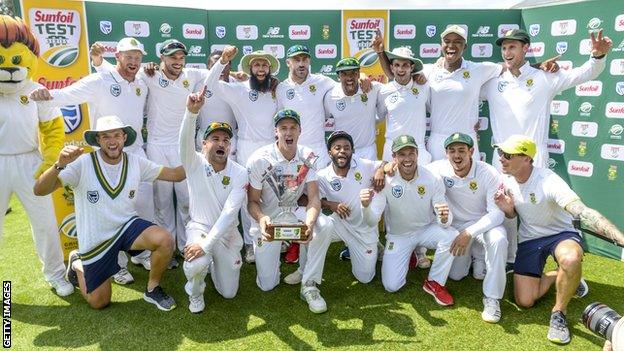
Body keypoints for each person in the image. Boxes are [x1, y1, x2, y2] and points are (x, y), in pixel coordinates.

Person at [481, 28, 611, 272]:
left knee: (541, 213)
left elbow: (584, 74)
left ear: (525, 48)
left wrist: (597, 57)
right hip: (502, 158)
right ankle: (510, 259)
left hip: (534, 159)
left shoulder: (544, 77)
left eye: (513, 47)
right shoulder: (492, 82)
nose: (507, 52)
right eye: (504, 47)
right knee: (504, 205)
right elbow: (461, 89)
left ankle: (565, 262)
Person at [30, 37, 152, 284]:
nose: (134, 61)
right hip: (108, 155)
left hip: (137, 151)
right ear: (117, 57)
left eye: (138, 57)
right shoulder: (101, 80)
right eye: (128, 56)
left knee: (144, 203)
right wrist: (47, 94)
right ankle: (117, 265)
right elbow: (69, 94)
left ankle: (141, 252)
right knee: (111, 210)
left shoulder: (141, 82)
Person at [33, 115, 186, 310]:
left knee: (164, 239)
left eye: (116, 135)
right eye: (105, 136)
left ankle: (152, 288)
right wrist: (59, 165)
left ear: (124, 137)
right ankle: (77, 262)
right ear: (98, 140)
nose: (112, 141)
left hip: (127, 227)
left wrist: (202, 156)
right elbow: (40, 190)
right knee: (99, 302)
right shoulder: (82, 164)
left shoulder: (136, 162)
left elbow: (175, 175)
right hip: (96, 239)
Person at [493, 135, 624, 344]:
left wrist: (621, 239)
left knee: (570, 258)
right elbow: (514, 215)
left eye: (508, 155)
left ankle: (559, 313)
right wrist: (508, 209)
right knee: (525, 301)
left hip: (561, 235)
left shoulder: (548, 180)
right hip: (530, 239)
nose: (501, 158)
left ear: (527, 159)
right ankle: (563, 276)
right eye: (500, 153)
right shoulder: (506, 180)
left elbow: (582, 211)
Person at [0, 14, 72, 296]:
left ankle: (55, 273)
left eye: (15, 60)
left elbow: (53, 127)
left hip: (30, 160)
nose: (8, 68)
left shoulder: (36, 90)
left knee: (44, 220)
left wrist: (50, 158)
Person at [361, 135, 459, 306]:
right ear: (394, 157)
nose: (407, 159)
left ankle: (434, 282)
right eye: (402, 154)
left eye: (411, 153)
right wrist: (365, 207)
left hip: (425, 230)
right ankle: (410, 252)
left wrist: (444, 218)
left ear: (417, 154)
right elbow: (371, 221)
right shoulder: (385, 180)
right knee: (391, 286)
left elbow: (444, 215)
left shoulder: (431, 178)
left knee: (452, 235)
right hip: (399, 236)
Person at [285, 131, 381, 303]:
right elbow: (303, 198)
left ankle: (374, 246)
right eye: (337, 148)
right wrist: (330, 204)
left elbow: (388, 164)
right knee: (315, 228)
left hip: (363, 230)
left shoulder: (365, 165)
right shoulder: (322, 175)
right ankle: (304, 272)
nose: (342, 151)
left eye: (347, 148)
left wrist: (381, 169)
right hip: (340, 224)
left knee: (365, 278)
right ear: (330, 153)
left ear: (352, 151)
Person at [246, 109, 327, 313]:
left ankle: (307, 280)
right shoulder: (259, 159)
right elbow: (252, 202)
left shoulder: (308, 156)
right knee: (267, 285)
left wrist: (309, 223)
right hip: (269, 220)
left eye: (292, 128)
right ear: (276, 132)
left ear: (300, 131)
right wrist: (262, 218)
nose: (288, 133)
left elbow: (314, 197)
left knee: (325, 225)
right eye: (283, 128)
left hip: (294, 212)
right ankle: (271, 262)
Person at [205, 45, 280, 264]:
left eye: (264, 65)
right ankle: (250, 243)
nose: (261, 69)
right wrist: (223, 62)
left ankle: (274, 238)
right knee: (250, 198)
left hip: (273, 149)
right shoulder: (238, 89)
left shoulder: (277, 89)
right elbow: (210, 84)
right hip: (248, 149)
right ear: (249, 68)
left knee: (273, 195)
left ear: (269, 69)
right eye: (256, 64)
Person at [179, 87, 247, 313]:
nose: (221, 143)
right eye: (215, 139)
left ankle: (216, 264)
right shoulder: (194, 163)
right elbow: (184, 142)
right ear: (203, 144)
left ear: (230, 146)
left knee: (230, 293)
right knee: (196, 263)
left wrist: (207, 245)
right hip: (200, 227)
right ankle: (196, 292)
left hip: (227, 233)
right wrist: (191, 114)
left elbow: (229, 214)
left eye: (226, 140)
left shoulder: (239, 173)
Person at [426, 132, 507, 322]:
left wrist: (469, 233)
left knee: (498, 239)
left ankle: (492, 298)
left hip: (482, 225)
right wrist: (386, 167)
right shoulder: (439, 168)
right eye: (452, 151)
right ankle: (477, 258)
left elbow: (497, 213)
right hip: (456, 228)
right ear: (446, 154)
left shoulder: (488, 173)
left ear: (471, 151)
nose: (457, 156)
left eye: (462, 150)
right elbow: (411, 169)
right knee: (456, 276)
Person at [323, 57, 383, 161]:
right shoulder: (330, 96)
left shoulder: (372, 89)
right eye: (344, 74)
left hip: (367, 152)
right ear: (338, 77)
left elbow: (396, 87)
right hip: (343, 152)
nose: (349, 77)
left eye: (353, 73)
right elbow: (321, 118)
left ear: (359, 74)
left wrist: (418, 76)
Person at [196, 50, 238, 159]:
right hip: (204, 146)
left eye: (225, 64)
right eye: (216, 65)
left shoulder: (239, 86)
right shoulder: (198, 85)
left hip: (230, 147)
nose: (221, 68)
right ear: (209, 68)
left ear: (230, 67)